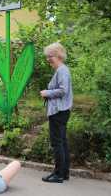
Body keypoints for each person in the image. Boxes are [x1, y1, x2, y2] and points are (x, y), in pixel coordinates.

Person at [40, 42, 73, 183]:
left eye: (50, 56)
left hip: (59, 111)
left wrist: (47, 93)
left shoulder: (62, 70)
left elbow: (63, 90)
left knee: (57, 143)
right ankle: (63, 173)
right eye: (47, 57)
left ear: (58, 55)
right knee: (62, 142)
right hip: (62, 111)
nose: (48, 59)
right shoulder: (62, 70)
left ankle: (58, 174)